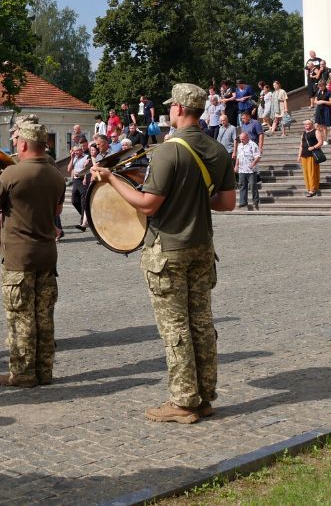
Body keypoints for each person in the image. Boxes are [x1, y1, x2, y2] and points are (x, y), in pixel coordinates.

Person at [91, 83, 235, 424]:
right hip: (202, 247)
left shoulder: (169, 152)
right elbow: (227, 202)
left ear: (180, 110)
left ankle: (184, 401)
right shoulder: (216, 150)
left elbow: (148, 204)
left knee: (176, 328)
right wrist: (196, 200)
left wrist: (111, 179)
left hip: (168, 249)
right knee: (201, 323)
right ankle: (205, 396)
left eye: (172, 107)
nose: (169, 111)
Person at [0, 122, 65, 387]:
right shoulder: (56, 176)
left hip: (19, 256)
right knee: (44, 316)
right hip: (47, 255)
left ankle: (23, 373)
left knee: (21, 317)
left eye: (17, 141)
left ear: (24, 145)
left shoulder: (10, 175)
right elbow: (58, 210)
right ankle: (44, 371)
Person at [234, 131, 261, 211]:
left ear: (247, 137)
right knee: (242, 186)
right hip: (242, 169)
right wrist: (236, 165)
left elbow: (258, 156)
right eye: (240, 139)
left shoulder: (253, 145)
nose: (241, 141)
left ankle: (255, 201)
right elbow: (238, 157)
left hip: (251, 170)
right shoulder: (240, 146)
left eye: (243, 139)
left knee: (253, 185)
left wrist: (253, 163)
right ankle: (243, 202)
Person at [68, 144, 91, 232]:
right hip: (75, 181)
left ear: (81, 150)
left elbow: (88, 169)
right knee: (74, 201)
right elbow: (69, 169)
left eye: (78, 150)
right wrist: (71, 158)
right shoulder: (74, 158)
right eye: (75, 151)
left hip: (83, 180)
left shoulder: (86, 157)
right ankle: (86, 217)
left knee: (83, 201)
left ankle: (83, 221)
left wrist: (84, 176)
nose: (76, 152)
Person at [299, 120, 324, 198]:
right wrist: (299, 155)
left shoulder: (316, 132)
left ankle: (312, 189)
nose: (305, 125)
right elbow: (301, 145)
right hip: (304, 155)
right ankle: (309, 187)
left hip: (312, 155)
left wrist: (313, 147)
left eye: (307, 124)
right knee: (306, 173)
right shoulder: (303, 133)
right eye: (304, 124)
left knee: (311, 172)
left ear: (311, 124)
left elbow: (321, 142)